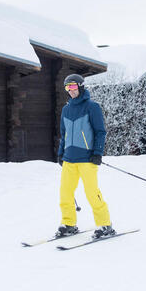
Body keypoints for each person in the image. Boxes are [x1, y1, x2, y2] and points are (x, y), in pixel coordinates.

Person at [56, 73, 115, 239]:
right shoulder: (66, 110)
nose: (70, 90)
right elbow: (64, 134)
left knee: (91, 193)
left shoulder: (92, 107)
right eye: (67, 87)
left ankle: (105, 224)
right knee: (65, 193)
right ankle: (69, 223)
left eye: (73, 86)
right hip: (69, 159)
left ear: (81, 87)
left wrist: (97, 153)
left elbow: (100, 132)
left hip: (87, 159)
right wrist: (61, 153)